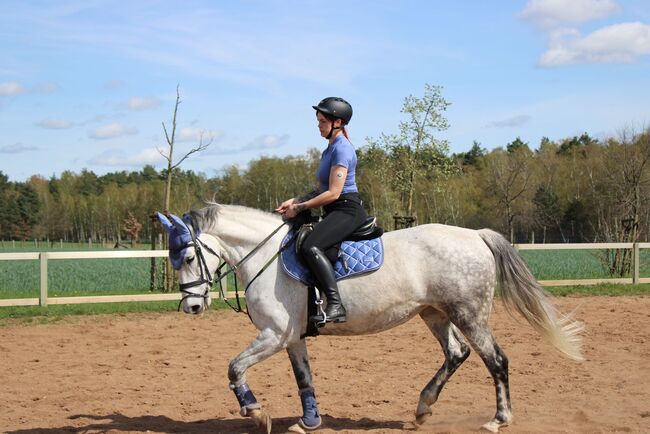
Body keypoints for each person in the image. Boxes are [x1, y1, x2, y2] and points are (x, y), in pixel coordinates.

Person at [276, 97, 367, 323]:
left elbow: (334, 193)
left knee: (311, 246)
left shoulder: (342, 149)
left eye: (323, 121)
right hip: (334, 209)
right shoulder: (329, 149)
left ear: (337, 122)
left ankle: (336, 304)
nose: (318, 125)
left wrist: (299, 207)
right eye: (318, 120)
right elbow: (321, 189)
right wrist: (295, 200)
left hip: (347, 210)